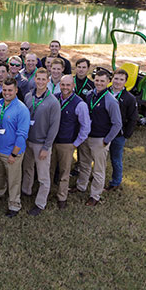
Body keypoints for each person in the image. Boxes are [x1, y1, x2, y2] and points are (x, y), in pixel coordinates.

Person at [70, 70, 122, 206]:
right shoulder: (90, 95)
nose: (99, 83)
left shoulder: (111, 101)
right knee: (84, 164)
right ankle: (81, 186)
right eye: (97, 81)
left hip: (100, 139)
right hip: (86, 137)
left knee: (98, 169)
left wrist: (107, 140)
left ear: (108, 82)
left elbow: (117, 124)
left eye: (102, 81)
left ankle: (95, 195)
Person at [22, 68, 61, 215]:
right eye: (38, 79)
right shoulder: (28, 96)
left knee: (43, 175)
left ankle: (40, 203)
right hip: (28, 141)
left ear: (48, 81)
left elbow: (54, 127)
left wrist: (47, 147)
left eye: (44, 79)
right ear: (35, 79)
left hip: (41, 144)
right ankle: (26, 191)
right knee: (28, 169)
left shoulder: (53, 102)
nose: (40, 82)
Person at [0, 78, 30, 218]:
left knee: (13, 180)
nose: (7, 93)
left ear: (16, 90)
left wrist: (14, 154)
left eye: (10, 90)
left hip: (12, 153)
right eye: (4, 90)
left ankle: (14, 204)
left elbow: (22, 135)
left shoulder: (22, 109)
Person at [51, 75, 91, 209]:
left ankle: (62, 197)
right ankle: (47, 192)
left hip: (67, 143)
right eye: (63, 85)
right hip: (51, 142)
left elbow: (86, 127)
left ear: (73, 86)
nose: (65, 88)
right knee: (49, 170)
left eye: (68, 85)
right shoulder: (54, 98)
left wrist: (75, 144)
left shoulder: (80, 104)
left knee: (64, 172)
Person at [106, 68, 138, 191]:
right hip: (103, 132)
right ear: (112, 79)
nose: (118, 82)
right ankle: (99, 176)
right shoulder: (105, 92)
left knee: (116, 159)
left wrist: (126, 135)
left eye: (121, 80)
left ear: (125, 82)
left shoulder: (129, 98)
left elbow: (133, 118)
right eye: (116, 78)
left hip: (118, 135)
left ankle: (116, 182)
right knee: (100, 158)